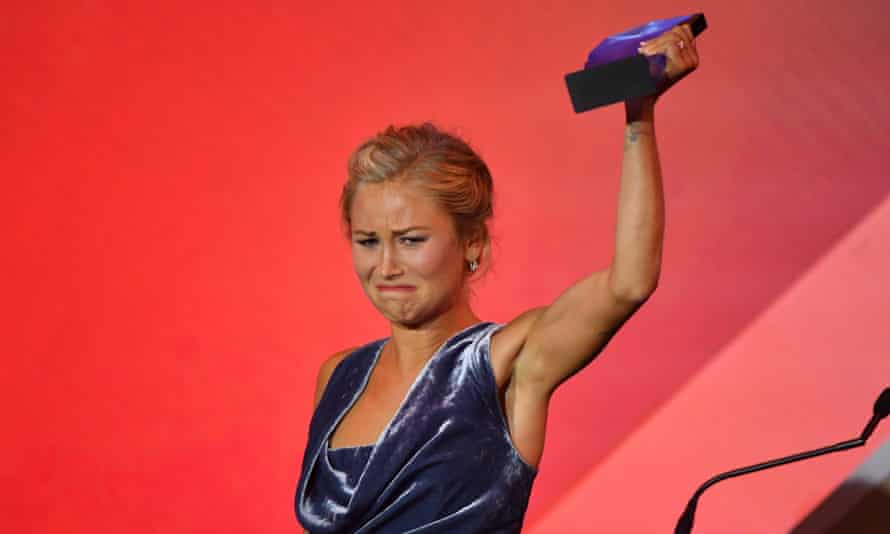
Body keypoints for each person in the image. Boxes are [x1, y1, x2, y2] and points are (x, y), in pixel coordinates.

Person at [296, 24, 700, 534]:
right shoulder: (339, 376)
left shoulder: (508, 360)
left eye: (412, 239)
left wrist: (638, 117)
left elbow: (629, 283)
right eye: (368, 241)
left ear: (473, 245)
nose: (386, 266)